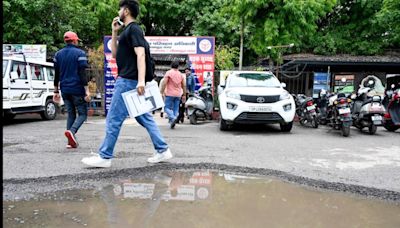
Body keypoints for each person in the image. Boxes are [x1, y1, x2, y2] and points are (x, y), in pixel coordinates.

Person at [81, 0, 172, 168]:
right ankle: (163, 149)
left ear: (127, 11)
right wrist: (114, 32)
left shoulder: (134, 29)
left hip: (128, 81)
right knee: (144, 118)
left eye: (120, 8)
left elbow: (141, 55)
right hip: (129, 81)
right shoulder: (126, 32)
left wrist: (140, 81)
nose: (119, 11)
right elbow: (114, 54)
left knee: (113, 119)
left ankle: (105, 156)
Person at [53, 31, 90, 149]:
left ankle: (70, 142)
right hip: (77, 89)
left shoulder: (58, 54)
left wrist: (55, 91)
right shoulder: (80, 53)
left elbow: (56, 74)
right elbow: (82, 73)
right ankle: (72, 132)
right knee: (83, 114)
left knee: (71, 114)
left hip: (64, 89)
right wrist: (87, 91)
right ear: (74, 41)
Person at [160, 61, 186, 129]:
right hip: (178, 94)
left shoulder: (169, 73)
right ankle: (172, 122)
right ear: (178, 67)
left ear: (171, 66)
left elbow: (164, 83)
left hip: (169, 94)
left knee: (166, 108)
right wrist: (184, 94)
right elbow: (184, 85)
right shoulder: (181, 74)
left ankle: (173, 118)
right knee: (175, 109)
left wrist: (161, 91)